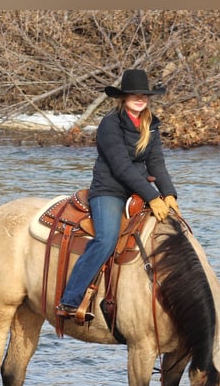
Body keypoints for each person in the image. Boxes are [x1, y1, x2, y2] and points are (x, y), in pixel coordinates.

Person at [56, 68, 181, 321]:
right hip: (109, 190)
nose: (140, 99)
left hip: (139, 191)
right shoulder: (110, 124)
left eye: (144, 95)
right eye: (134, 94)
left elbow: (156, 163)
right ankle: (69, 300)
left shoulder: (151, 124)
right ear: (123, 97)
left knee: (174, 232)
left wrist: (169, 195)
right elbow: (121, 166)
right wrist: (152, 196)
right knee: (107, 239)